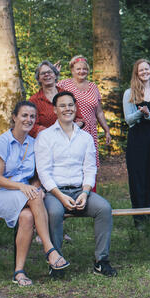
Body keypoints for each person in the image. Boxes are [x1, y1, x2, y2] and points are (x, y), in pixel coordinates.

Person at [0, 100, 69, 286]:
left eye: (32, 116)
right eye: (24, 115)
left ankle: (19, 272)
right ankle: (50, 250)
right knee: (34, 195)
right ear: (14, 117)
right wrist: (25, 188)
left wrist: (36, 187)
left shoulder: (34, 144)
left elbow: (36, 176)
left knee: (28, 216)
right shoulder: (2, 142)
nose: (28, 119)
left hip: (24, 196)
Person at [35, 91, 117, 278]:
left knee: (104, 208)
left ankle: (101, 261)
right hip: (55, 193)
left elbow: (90, 169)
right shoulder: (45, 137)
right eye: (62, 105)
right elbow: (44, 172)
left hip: (80, 191)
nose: (67, 109)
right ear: (55, 110)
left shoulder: (85, 138)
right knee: (54, 212)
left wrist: (85, 193)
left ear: (75, 107)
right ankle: (56, 262)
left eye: (71, 105)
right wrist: (60, 196)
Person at [123, 59, 150, 231]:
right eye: (141, 70)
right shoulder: (129, 93)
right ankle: (139, 222)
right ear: (136, 72)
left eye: (147, 69)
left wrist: (149, 115)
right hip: (136, 139)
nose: (144, 72)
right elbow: (128, 119)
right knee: (137, 178)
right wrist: (139, 114)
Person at [56, 55, 112, 167]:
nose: (82, 71)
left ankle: (90, 185)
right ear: (72, 70)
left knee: (89, 165)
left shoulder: (93, 87)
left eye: (85, 69)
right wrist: (54, 75)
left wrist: (107, 130)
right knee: (73, 163)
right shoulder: (64, 84)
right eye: (78, 69)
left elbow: (99, 111)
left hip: (90, 131)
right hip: (71, 130)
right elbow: (50, 92)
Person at [29, 61, 61, 138]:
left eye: (49, 72)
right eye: (43, 73)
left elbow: (79, 119)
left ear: (55, 75)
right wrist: (51, 134)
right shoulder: (34, 100)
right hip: (46, 142)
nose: (47, 75)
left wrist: (70, 130)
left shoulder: (67, 95)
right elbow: (32, 125)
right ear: (38, 78)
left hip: (69, 141)